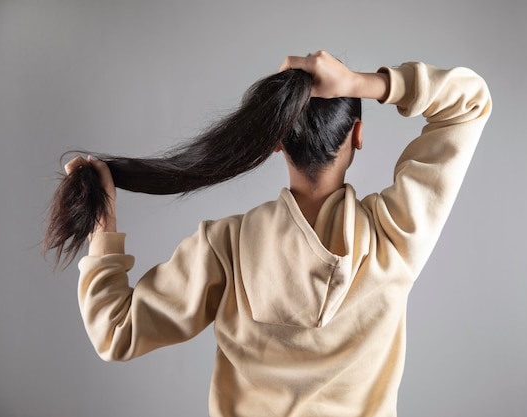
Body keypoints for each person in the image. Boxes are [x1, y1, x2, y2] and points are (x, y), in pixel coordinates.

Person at [47, 51, 491, 416]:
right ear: (357, 136)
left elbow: (115, 333)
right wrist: (361, 83)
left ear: (275, 142)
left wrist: (102, 224)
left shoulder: (226, 247)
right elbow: (468, 102)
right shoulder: (394, 236)